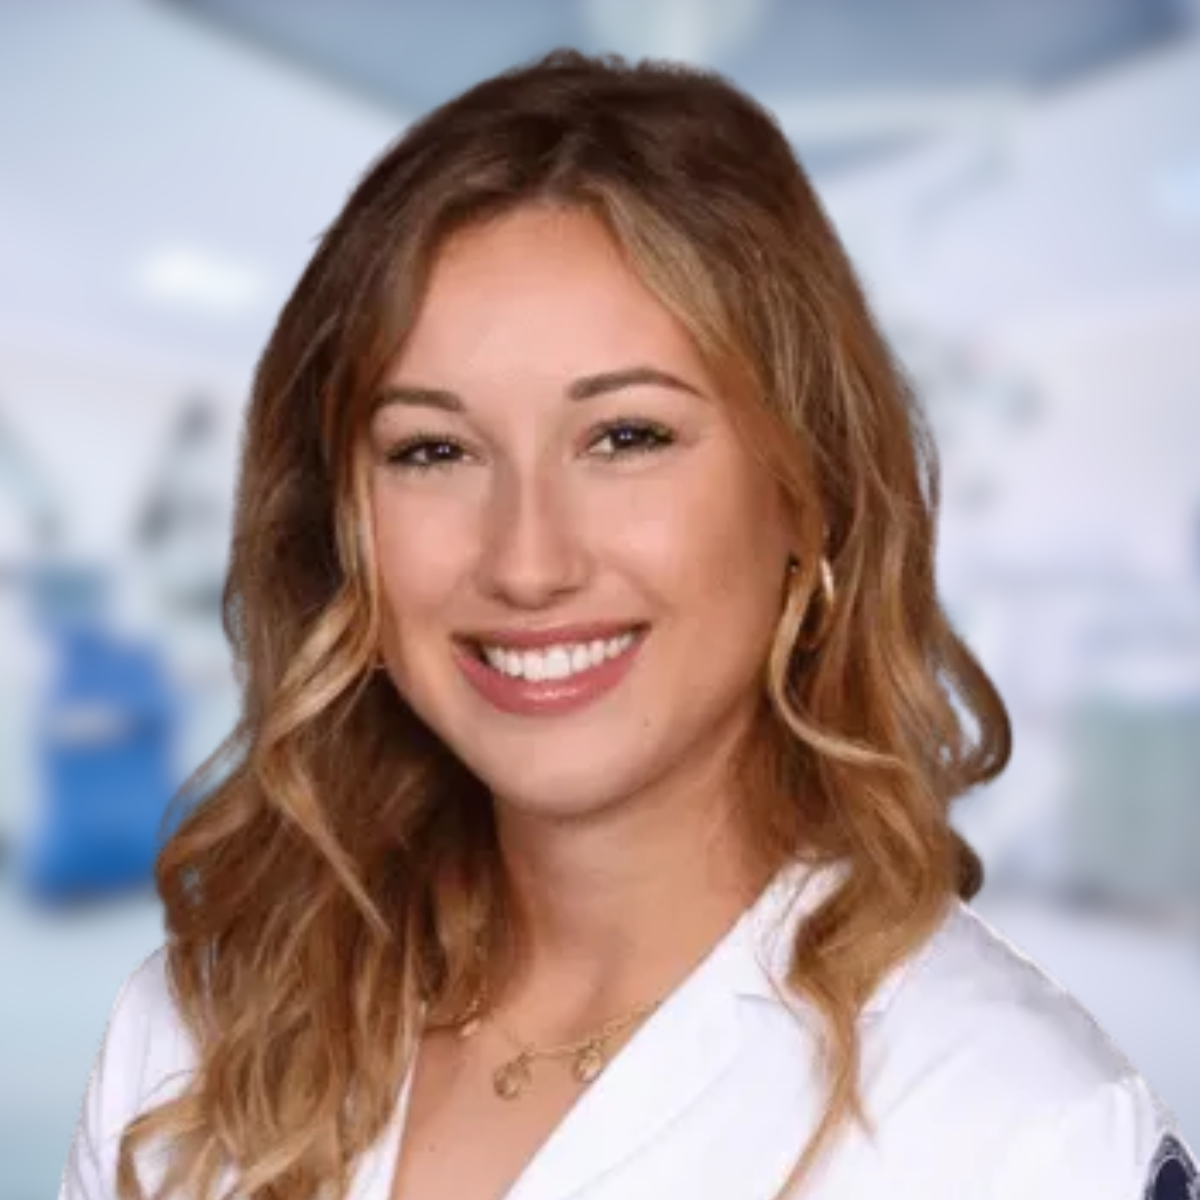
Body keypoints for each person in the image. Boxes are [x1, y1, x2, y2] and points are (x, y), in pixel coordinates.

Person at [60, 49, 1195, 1200]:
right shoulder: (190, 1051)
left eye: (626, 437)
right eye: (434, 452)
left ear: (807, 494)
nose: (527, 561)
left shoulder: (1018, 1132)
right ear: (343, 527)